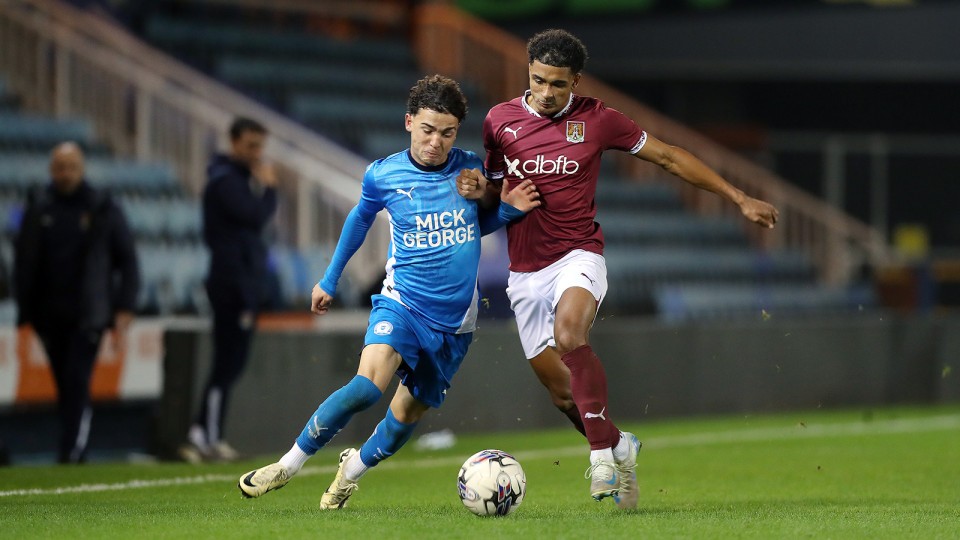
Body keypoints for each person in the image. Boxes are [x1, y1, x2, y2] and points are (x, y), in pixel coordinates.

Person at [458, 29, 780, 509]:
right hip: (524, 271)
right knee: (564, 397)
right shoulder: (499, 121)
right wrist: (477, 188)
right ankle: (619, 445)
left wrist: (738, 197)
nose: (547, 93)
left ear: (577, 82)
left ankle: (601, 461)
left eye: (559, 84)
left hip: (578, 254)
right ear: (529, 73)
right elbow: (496, 193)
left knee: (571, 335)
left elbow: (669, 157)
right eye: (539, 80)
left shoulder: (599, 120)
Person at [236, 75, 540, 508]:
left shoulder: (469, 168)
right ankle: (286, 465)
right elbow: (359, 220)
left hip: (455, 324)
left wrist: (507, 209)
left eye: (447, 132)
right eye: (427, 130)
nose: (436, 142)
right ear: (408, 122)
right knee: (366, 387)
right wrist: (329, 278)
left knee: (404, 417)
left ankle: (350, 473)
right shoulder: (383, 174)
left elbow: (474, 226)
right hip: (402, 304)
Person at [13, 141, 139, 464]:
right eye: (59, 167)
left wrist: (124, 306)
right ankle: (72, 446)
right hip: (48, 314)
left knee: (77, 379)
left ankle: (72, 451)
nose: (65, 174)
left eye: (71, 167)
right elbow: (25, 260)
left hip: (89, 313)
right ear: (51, 170)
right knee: (64, 382)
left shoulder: (101, 206)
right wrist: (24, 311)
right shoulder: (39, 206)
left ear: (82, 169)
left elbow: (127, 259)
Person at [180, 117, 278, 463]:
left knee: (230, 364)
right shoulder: (225, 181)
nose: (256, 153)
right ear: (234, 142)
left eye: (260, 146)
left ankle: (203, 433)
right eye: (251, 145)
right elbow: (253, 217)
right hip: (231, 284)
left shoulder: (231, 179)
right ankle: (206, 436)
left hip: (240, 282)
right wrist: (269, 189)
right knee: (227, 364)